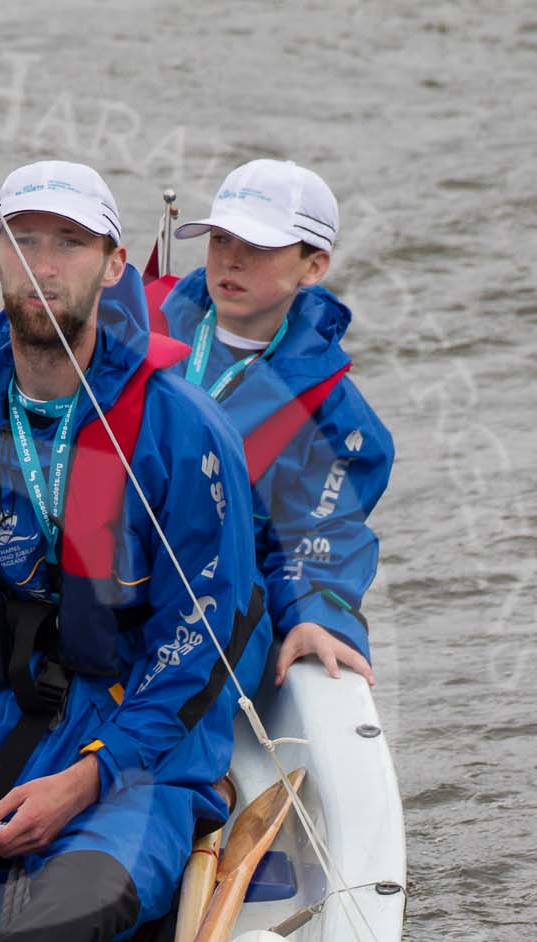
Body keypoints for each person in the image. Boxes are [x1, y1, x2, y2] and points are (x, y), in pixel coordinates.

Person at [0, 161, 257, 942]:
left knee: (77, 904)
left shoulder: (182, 430)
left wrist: (85, 781)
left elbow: (199, 646)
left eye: (69, 244)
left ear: (115, 264)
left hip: (134, 755)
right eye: (23, 240)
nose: (43, 265)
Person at [153, 159, 395, 686]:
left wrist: (315, 617)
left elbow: (320, 538)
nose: (230, 261)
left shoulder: (338, 419)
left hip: (211, 619)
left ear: (314, 267)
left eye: (257, 247)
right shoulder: (132, 326)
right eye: (219, 240)